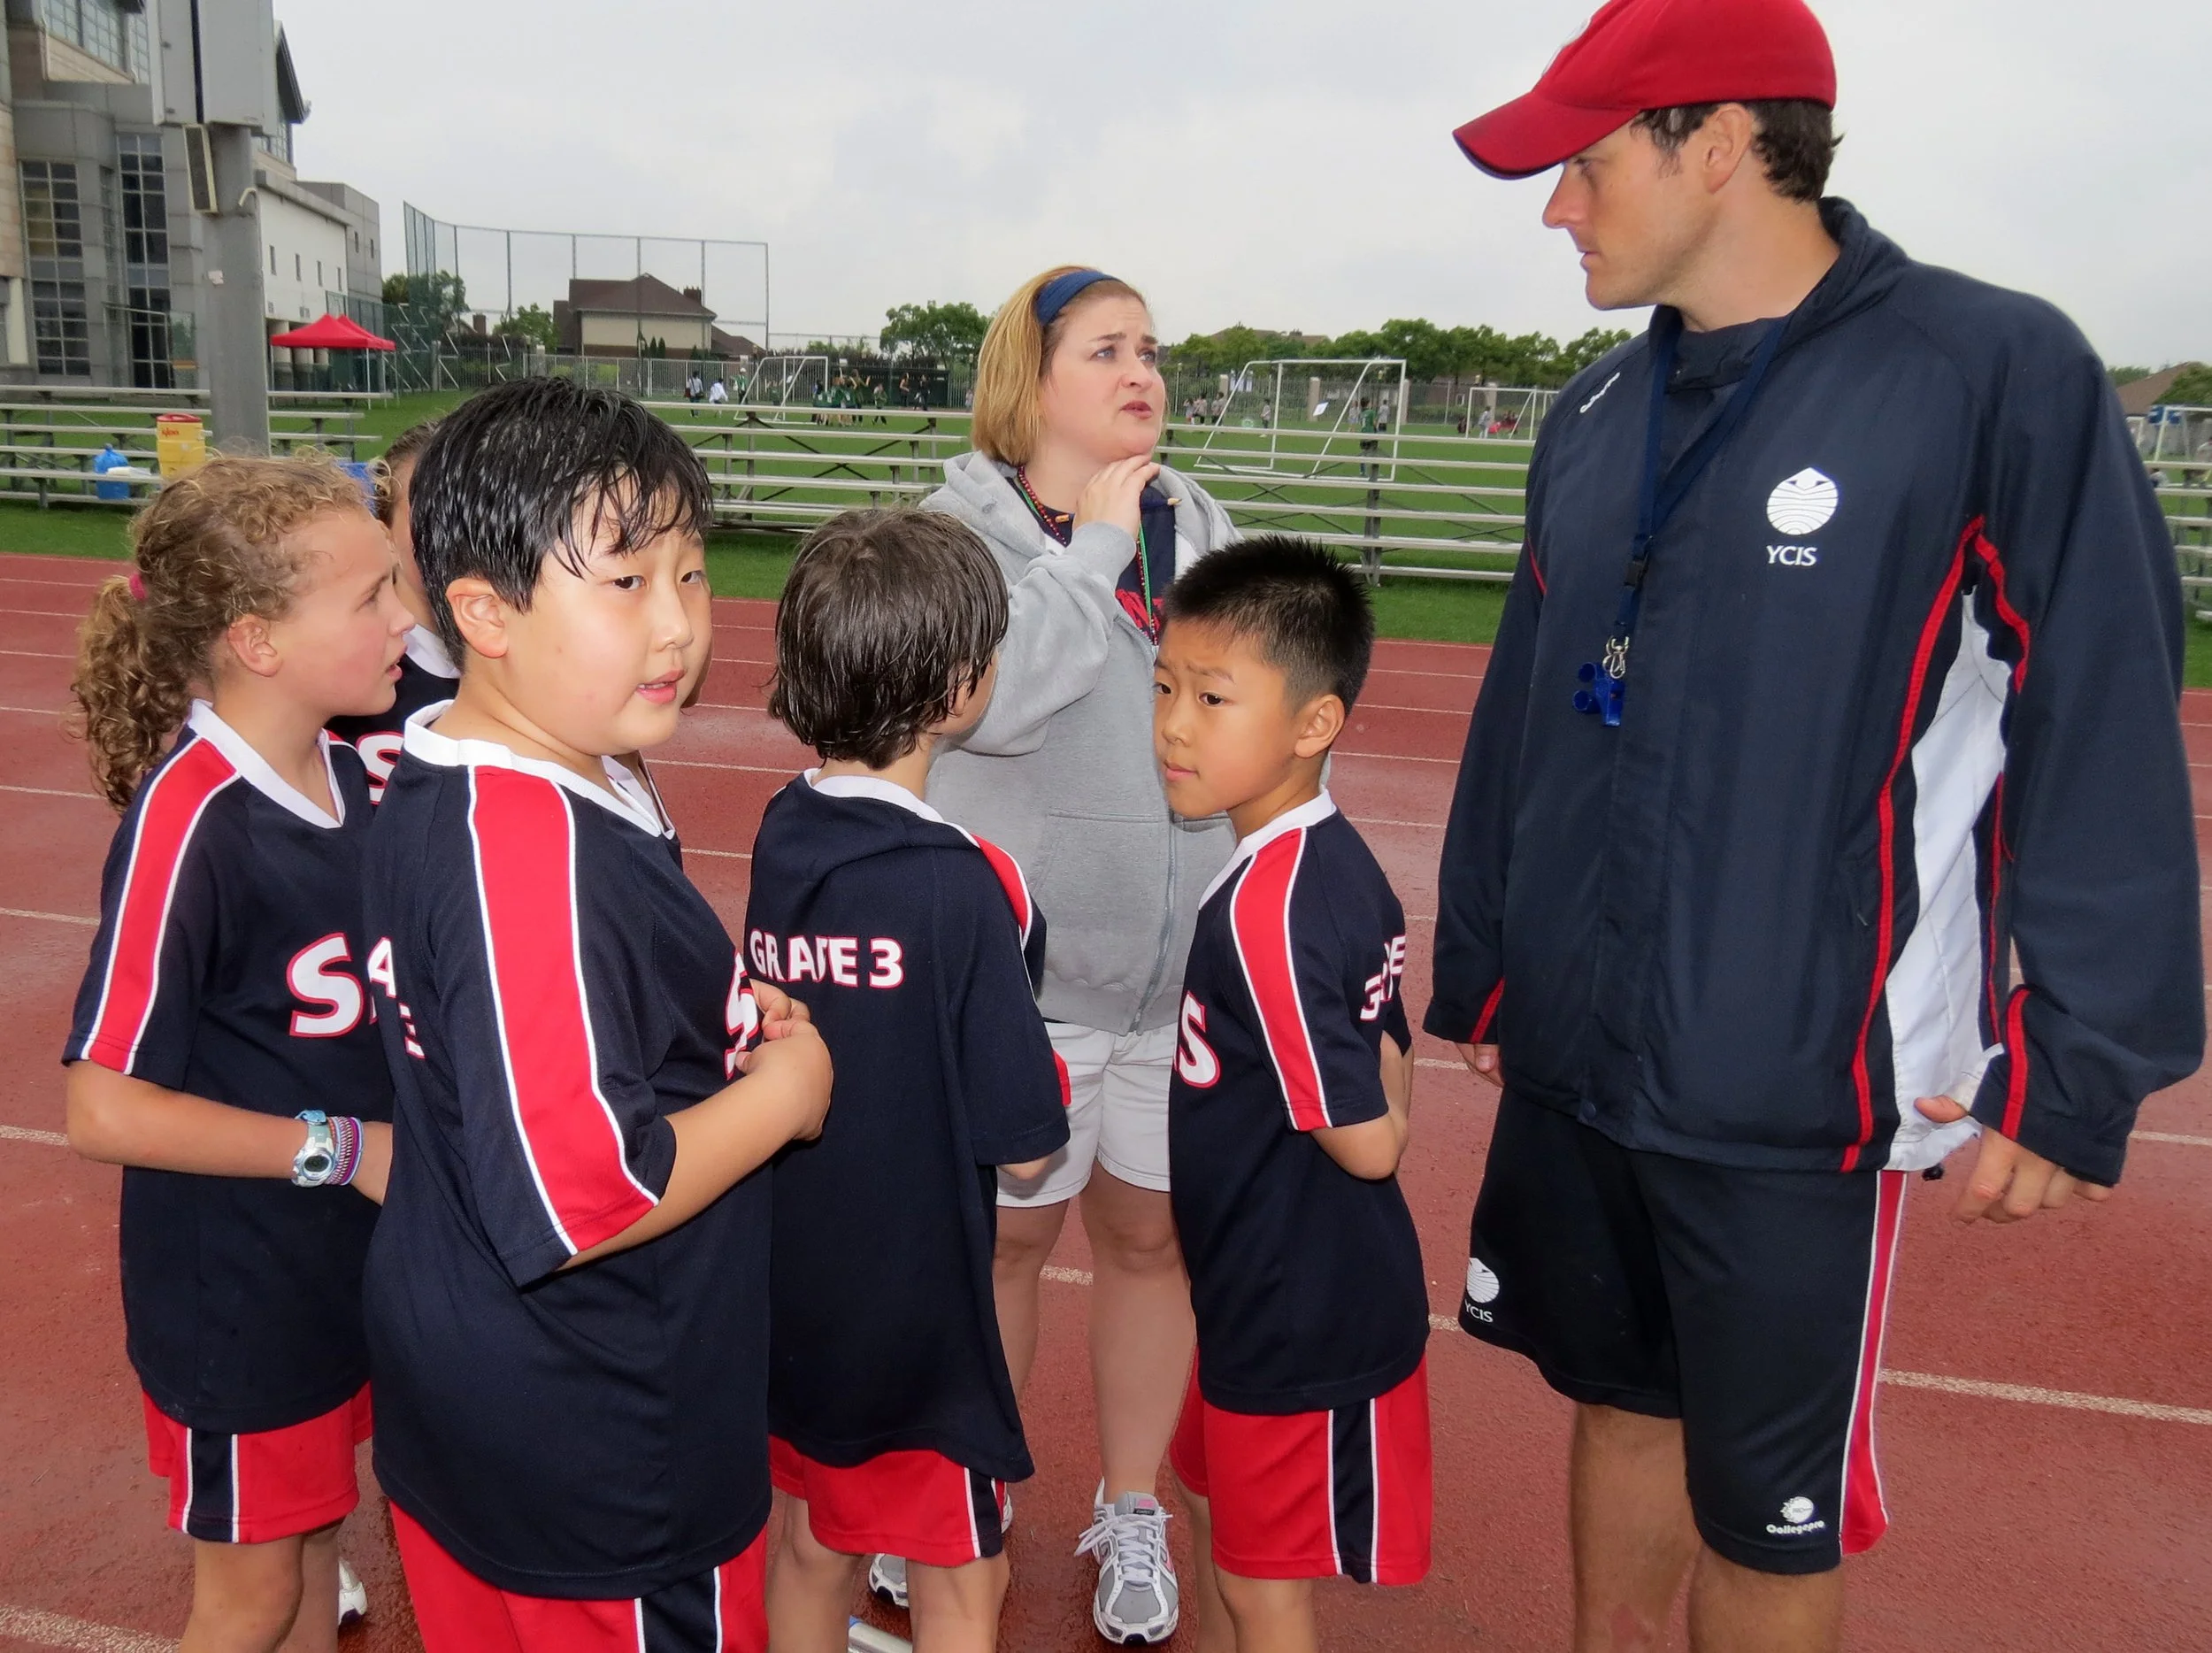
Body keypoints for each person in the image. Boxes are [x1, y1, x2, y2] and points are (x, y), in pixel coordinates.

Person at [1432, 2, 2205, 1649]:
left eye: (1580, 164)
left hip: (1801, 1075)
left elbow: (2106, 714)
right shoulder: (1583, 416)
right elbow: (1526, 715)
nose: (1554, 208)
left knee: (1768, 1506)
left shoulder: (1989, 373)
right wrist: (1498, 972)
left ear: (1714, 143)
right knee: (1616, 1401)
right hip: (1585, 1058)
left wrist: (2073, 1068)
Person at [357, 379, 834, 1653]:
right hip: (603, 1436)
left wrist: (712, 1021)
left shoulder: (477, 770)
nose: (678, 623)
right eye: (625, 583)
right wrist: (779, 1098)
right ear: (484, 611)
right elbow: (583, 1199)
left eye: (692, 571)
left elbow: (520, 1031)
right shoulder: (528, 844)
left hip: (485, 1394)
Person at [892, 265, 1238, 1645]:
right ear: (1031, 379)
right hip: (1023, 982)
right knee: (1005, 1249)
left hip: (1175, 976)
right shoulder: (957, 533)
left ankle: (1131, 1505)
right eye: (1107, 348)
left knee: (1153, 1243)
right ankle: (957, 1508)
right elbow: (989, 710)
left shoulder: (1199, 522)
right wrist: (1089, 555)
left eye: (1152, 347)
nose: (1143, 368)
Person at [62, 455, 411, 1653]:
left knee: (314, 1560)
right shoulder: (190, 818)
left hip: (332, 1274)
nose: (404, 618)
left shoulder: (350, 772)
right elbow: (102, 1108)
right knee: (252, 1597)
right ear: (258, 640)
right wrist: (349, 1146)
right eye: (369, 598)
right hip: (238, 1301)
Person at [751, 510, 1072, 1653]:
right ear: (956, 689)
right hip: (917, 1311)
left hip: (787, 1283)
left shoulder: (780, 829)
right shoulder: (970, 884)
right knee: (962, 1575)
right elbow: (1028, 1141)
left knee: (808, 1538)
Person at [1153, 537, 1432, 1652]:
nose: (1175, 722)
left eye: (1213, 697)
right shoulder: (1324, 860)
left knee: (1268, 1584)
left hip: (1299, 1302)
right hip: (1248, 1287)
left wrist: (1387, 1120)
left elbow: (1365, 1141)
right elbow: (1390, 1031)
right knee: (1211, 1510)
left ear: (1315, 723)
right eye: (1165, 685)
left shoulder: (1272, 907)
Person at [326, 419, 456, 801]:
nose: (456, 532)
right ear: (385, 533)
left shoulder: (536, 663)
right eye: (431, 511)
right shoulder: (341, 664)